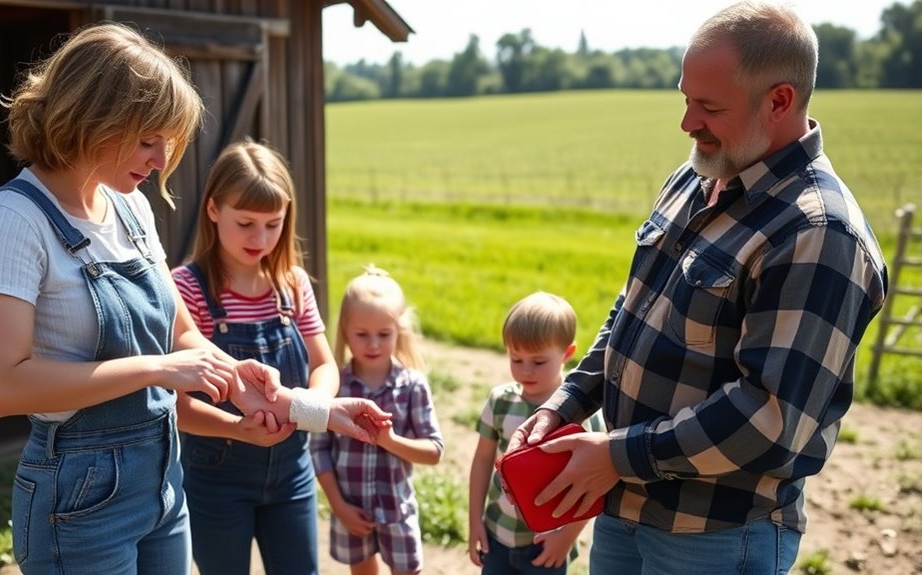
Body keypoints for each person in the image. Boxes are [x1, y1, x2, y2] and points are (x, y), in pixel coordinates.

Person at [0, 23, 385, 575]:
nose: (161, 159)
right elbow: (1, 387)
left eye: (168, 142)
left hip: (163, 480)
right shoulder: (11, 223)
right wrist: (157, 369)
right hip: (77, 498)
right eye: (147, 140)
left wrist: (304, 406)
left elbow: (183, 337)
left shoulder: (130, 207)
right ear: (91, 118)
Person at [505, 3, 888, 574]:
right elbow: (632, 311)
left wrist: (616, 455)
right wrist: (568, 403)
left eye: (709, 106)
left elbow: (769, 421)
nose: (687, 122)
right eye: (685, 99)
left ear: (779, 100)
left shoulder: (819, 234)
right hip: (622, 502)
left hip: (715, 536)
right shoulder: (696, 175)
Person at [172, 139, 381, 575]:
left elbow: (323, 364)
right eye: (246, 223)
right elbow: (177, 406)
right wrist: (237, 428)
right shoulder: (187, 289)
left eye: (273, 224)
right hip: (216, 476)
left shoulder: (292, 284)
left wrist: (313, 406)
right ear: (213, 210)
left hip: (292, 474)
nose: (261, 238)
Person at [311, 265, 445, 575]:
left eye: (384, 334)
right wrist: (338, 505)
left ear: (400, 332)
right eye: (362, 334)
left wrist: (390, 441)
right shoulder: (335, 386)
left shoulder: (412, 386)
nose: (373, 343)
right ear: (345, 332)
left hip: (396, 510)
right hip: (350, 510)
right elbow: (318, 449)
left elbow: (434, 451)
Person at [468, 292, 603, 575]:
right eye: (516, 359)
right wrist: (474, 520)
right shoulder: (500, 401)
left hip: (547, 544)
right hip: (497, 533)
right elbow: (482, 460)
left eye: (538, 362)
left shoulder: (579, 413)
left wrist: (566, 538)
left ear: (567, 353)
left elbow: (593, 482)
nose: (526, 371)